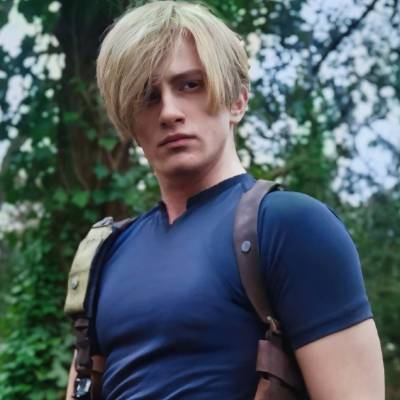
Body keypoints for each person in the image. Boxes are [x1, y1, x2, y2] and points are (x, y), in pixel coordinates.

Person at [66, 1, 384, 399]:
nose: (169, 112)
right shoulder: (106, 253)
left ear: (237, 101)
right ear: (128, 122)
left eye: (190, 85)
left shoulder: (290, 226)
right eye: (147, 95)